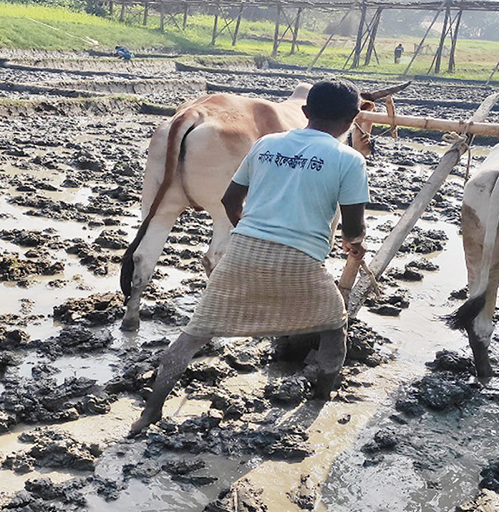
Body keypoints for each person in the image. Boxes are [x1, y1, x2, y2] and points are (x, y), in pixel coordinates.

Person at [132, 79, 368, 432]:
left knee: (193, 335)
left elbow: (230, 200)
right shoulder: (349, 159)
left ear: (304, 112)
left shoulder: (267, 144)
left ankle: (150, 411)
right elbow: (352, 224)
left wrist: (247, 231)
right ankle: (320, 400)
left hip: (242, 252)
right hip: (301, 261)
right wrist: (355, 244)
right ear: (352, 119)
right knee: (335, 328)